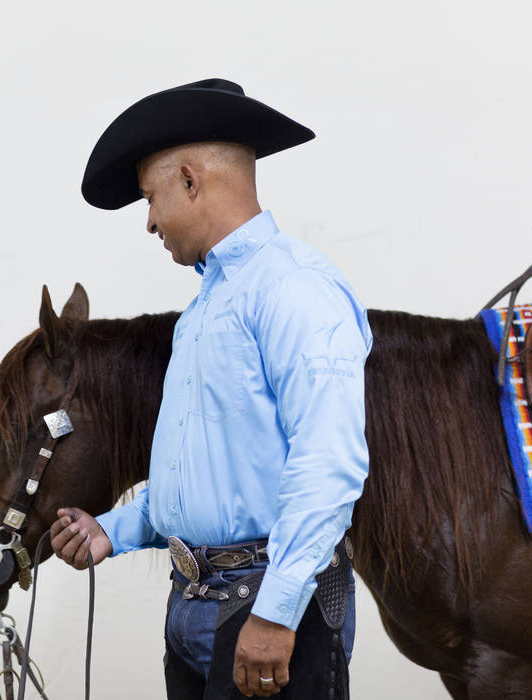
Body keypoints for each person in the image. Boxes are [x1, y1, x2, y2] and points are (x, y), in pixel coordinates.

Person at [51, 78, 372, 699]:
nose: (149, 222)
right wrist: (113, 530)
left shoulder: (292, 286)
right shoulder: (206, 310)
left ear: (192, 181)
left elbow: (329, 463)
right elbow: (201, 475)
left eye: (151, 198)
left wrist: (277, 612)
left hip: (267, 606)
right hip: (200, 606)